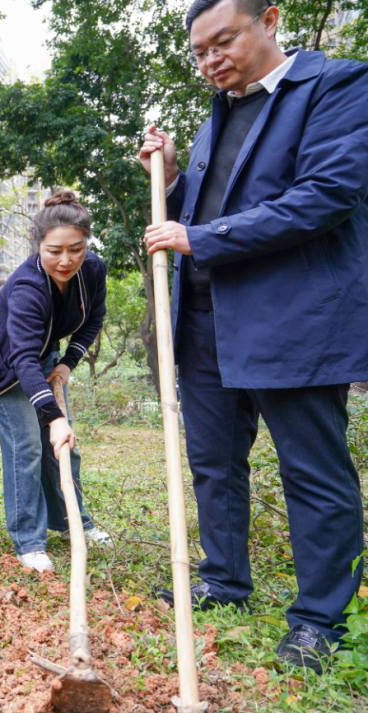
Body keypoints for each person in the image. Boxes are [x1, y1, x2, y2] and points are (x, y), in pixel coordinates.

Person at [138, 0, 368, 673]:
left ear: (270, 18)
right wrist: (175, 176)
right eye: (200, 52)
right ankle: (225, 577)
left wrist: (198, 237)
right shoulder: (221, 113)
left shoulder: (336, 85)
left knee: (312, 470)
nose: (211, 60)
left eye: (223, 41)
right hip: (206, 319)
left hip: (289, 320)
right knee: (214, 461)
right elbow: (207, 210)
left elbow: (327, 194)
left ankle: (319, 617)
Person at [0, 192, 111, 573]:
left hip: (45, 355)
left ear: (87, 244)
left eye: (76, 249)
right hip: (5, 363)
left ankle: (73, 523)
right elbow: (20, 359)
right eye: (54, 251)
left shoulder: (93, 271)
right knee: (28, 446)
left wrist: (67, 364)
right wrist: (53, 416)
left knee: (65, 449)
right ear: (38, 247)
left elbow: (94, 320)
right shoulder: (27, 287)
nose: (65, 260)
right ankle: (29, 542)